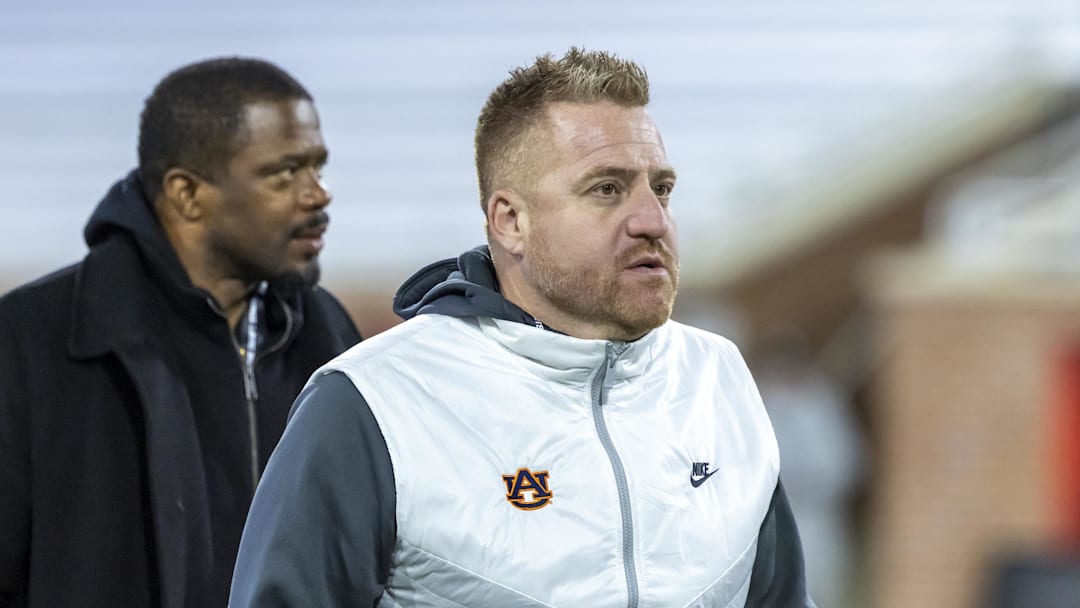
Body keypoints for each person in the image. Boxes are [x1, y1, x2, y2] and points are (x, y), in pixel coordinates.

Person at [230, 48, 813, 607]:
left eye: (661, 189)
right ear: (510, 221)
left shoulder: (718, 377)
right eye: (607, 189)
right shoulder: (372, 403)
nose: (652, 220)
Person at [0, 57, 361, 608]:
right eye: (284, 173)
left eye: (318, 167)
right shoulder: (31, 342)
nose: (318, 194)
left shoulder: (327, 332)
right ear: (187, 194)